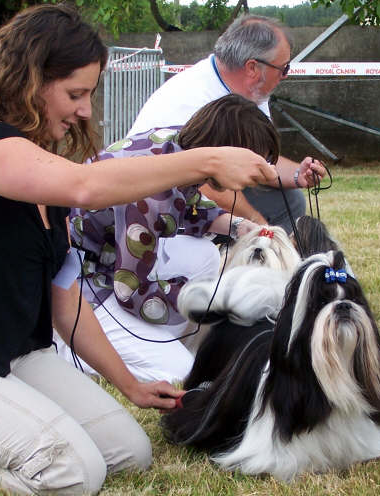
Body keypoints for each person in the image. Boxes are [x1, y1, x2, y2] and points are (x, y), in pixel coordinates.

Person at [0, 5, 277, 496]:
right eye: (75, 94)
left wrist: (130, 384)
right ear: (29, 80)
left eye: (89, 94)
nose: (86, 111)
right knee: (72, 472)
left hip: (13, 357)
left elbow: (65, 301)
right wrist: (207, 157)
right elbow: (86, 186)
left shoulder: (38, 167)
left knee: (129, 455)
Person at [55, 94, 279, 384]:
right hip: (85, 286)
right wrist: (207, 301)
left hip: (113, 261)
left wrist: (238, 227)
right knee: (183, 374)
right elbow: (130, 289)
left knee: (205, 257)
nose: (257, 176)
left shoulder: (177, 144)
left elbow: (186, 204)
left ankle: (158, 338)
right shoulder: (151, 195)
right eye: (253, 163)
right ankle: (67, 345)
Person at [128, 14, 327, 232]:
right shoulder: (191, 99)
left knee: (291, 200)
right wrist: (259, 225)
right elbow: (202, 186)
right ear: (252, 68)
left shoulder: (253, 91)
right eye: (284, 68)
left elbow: (260, 159)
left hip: (194, 190)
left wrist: (299, 174)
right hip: (157, 204)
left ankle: (273, 263)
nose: (285, 75)